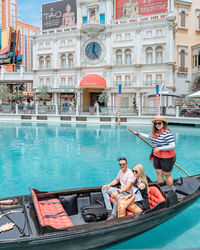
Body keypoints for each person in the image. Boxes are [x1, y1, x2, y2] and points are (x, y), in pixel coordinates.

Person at [132, 116, 176, 188]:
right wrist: (138, 133)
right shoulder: (155, 133)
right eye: (156, 124)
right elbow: (148, 136)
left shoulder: (167, 133)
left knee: (167, 174)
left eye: (159, 123)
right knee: (158, 173)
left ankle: (170, 189)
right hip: (157, 155)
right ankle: (161, 188)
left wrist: (159, 148)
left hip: (167, 157)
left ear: (163, 124)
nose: (157, 125)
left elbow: (172, 145)